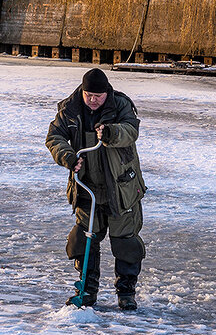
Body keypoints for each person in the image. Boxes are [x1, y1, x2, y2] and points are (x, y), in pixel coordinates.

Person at [46, 68, 147, 309]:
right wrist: (67, 157)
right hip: (86, 187)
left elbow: (130, 132)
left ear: (106, 93)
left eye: (98, 96)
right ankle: (87, 290)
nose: (92, 100)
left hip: (121, 187)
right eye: (88, 94)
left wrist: (111, 132)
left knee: (125, 242)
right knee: (83, 240)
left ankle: (126, 293)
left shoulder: (121, 105)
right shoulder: (70, 109)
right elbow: (54, 137)